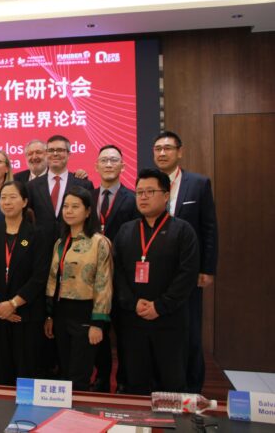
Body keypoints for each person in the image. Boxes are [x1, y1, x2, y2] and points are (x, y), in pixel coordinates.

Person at [113, 168, 199, 394]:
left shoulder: (183, 231)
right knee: (136, 382)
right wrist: (132, 302)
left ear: (166, 195)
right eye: (139, 192)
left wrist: (160, 306)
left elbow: (187, 274)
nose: (143, 197)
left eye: (150, 192)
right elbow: (117, 272)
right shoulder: (126, 231)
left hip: (169, 319)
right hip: (133, 318)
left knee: (172, 382)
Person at [153, 131, 218, 393]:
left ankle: (192, 388)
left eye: (168, 148)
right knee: (161, 330)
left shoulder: (198, 184)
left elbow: (209, 228)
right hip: (157, 270)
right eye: (157, 148)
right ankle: (160, 385)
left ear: (180, 152)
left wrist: (207, 269)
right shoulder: (148, 183)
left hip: (188, 271)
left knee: (190, 330)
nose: (162, 153)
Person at [0, 181, 49, 385]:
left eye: (12, 197)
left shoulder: (37, 235)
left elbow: (39, 277)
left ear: (24, 201)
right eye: (3, 197)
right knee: (1, 375)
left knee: (26, 375)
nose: (7, 202)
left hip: (25, 316)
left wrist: (13, 304)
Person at [44, 186, 113, 391]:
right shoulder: (60, 242)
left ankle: (80, 412)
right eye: (66, 206)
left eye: (75, 206)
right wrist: (50, 315)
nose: (69, 211)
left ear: (88, 211)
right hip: (61, 313)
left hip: (85, 314)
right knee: (64, 372)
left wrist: (97, 323)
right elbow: (52, 280)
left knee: (79, 376)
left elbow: (104, 284)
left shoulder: (99, 242)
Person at [91, 145, 139, 393]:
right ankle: (101, 377)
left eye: (113, 160)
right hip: (93, 277)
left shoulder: (133, 199)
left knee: (124, 332)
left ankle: (123, 380)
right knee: (98, 329)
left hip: (122, 274)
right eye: (104, 160)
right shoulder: (87, 197)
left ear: (123, 166)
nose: (108, 164)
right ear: (96, 166)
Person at [27, 134, 94, 247]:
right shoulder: (32, 186)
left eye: (60, 150)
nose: (55, 154)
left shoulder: (83, 185)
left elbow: (90, 220)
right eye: (51, 150)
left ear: (69, 154)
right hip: (39, 248)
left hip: (75, 246)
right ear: (46, 154)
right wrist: (25, 244)